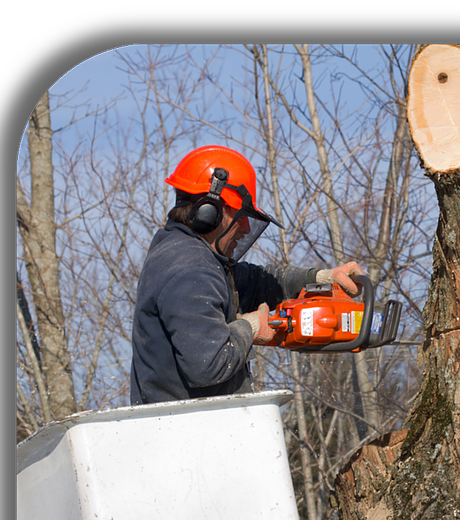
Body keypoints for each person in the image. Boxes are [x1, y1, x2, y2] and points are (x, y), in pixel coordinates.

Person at [130, 145, 362, 405]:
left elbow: (257, 282)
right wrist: (250, 328)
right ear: (210, 211)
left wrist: (322, 278)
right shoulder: (190, 270)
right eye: (240, 215)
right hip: (187, 432)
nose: (246, 227)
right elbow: (209, 363)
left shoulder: (189, 256)